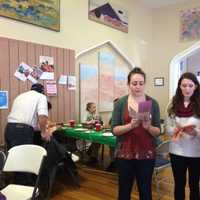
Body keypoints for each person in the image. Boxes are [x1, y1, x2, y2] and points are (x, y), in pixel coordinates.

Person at [111, 67, 160, 200]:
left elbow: (157, 132)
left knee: (145, 190)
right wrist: (130, 125)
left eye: (141, 83)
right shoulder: (120, 103)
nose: (138, 87)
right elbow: (114, 130)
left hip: (146, 153)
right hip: (124, 153)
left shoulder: (153, 103)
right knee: (124, 190)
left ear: (144, 84)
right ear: (128, 84)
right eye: (134, 83)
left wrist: (148, 126)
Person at [4, 83, 50, 185]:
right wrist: (43, 132)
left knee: (15, 161)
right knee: (24, 162)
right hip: (22, 130)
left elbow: (24, 118)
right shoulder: (41, 97)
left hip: (9, 128)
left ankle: (15, 187)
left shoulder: (20, 96)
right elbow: (42, 116)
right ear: (42, 91)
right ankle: (26, 190)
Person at [165, 72, 200, 200]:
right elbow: (167, 129)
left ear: (195, 86)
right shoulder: (172, 104)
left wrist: (195, 132)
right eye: (184, 85)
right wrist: (175, 130)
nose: (187, 89)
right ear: (179, 86)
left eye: (190, 85)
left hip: (196, 153)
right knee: (179, 185)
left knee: (194, 185)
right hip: (177, 152)